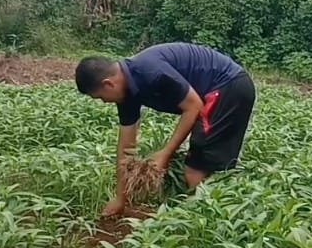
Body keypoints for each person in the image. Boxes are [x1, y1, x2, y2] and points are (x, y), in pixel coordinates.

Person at [74, 42, 256, 217]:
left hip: (228, 86)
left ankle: (207, 223)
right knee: (209, 165)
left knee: (195, 170)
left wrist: (165, 153)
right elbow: (126, 148)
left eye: (100, 97)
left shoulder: (150, 72)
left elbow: (193, 106)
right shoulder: (127, 93)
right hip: (225, 90)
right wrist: (120, 198)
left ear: (108, 84)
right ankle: (220, 212)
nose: (104, 102)